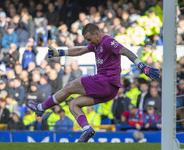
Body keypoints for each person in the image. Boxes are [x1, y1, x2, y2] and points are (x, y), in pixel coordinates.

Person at [28, 23, 160, 142]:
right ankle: (87, 129)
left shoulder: (108, 41)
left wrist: (142, 66)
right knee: (74, 104)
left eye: (90, 39)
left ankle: (41, 108)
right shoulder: (95, 44)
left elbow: (125, 51)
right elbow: (80, 50)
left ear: (97, 34)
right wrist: (60, 52)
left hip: (105, 82)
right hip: (109, 91)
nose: (89, 42)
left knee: (69, 87)